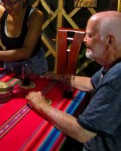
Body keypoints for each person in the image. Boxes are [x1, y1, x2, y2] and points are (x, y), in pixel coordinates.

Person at [26, 11, 121, 151]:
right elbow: (90, 83)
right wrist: (60, 77)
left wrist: (40, 104)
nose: (84, 40)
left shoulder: (117, 76)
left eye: (89, 35)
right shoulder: (112, 65)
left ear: (109, 40)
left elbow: (82, 133)